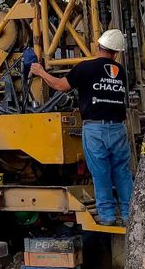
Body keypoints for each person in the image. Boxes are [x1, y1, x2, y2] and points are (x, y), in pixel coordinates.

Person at [29, 29, 133, 226]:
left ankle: (108, 216)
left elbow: (60, 86)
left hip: (95, 130)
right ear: (116, 53)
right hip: (118, 129)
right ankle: (129, 214)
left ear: (98, 46)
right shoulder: (121, 73)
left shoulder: (85, 68)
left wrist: (41, 71)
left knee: (101, 172)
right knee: (122, 172)